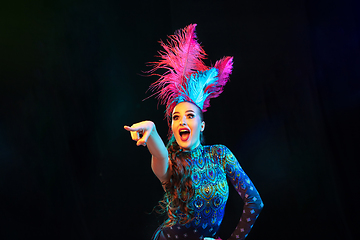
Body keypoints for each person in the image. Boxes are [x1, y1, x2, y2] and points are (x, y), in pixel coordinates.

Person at [124, 24, 263, 240]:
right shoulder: (170, 161)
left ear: (202, 125)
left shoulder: (220, 154)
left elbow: (254, 201)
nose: (182, 121)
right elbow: (158, 154)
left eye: (189, 115)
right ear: (172, 127)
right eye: (176, 117)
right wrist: (151, 131)